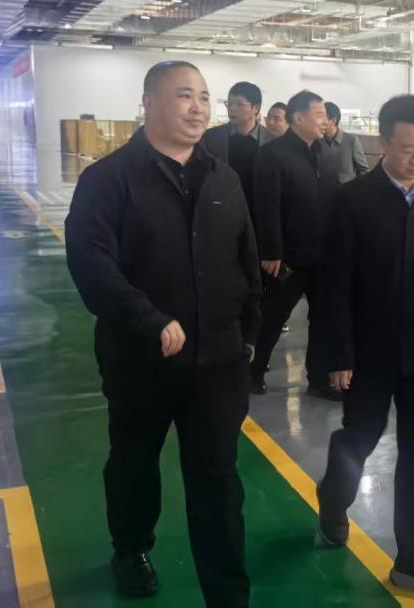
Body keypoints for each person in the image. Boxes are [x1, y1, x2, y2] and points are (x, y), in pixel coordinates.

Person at [65, 61, 261, 606]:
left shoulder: (224, 179)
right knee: (134, 462)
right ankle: (131, 549)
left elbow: (246, 259)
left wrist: (249, 332)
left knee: (217, 478)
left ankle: (228, 594)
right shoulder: (107, 180)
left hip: (218, 361)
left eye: (204, 97)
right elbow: (91, 264)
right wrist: (149, 319)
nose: (198, 108)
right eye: (184, 95)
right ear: (149, 102)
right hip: (139, 360)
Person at [316, 95, 414, 603]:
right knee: (358, 440)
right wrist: (338, 355)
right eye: (408, 150)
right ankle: (333, 497)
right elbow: (334, 284)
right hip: (370, 354)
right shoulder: (353, 201)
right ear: (383, 143)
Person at [251, 90, 340, 400]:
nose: (325, 121)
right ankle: (253, 371)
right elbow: (267, 206)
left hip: (322, 254)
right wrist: (271, 251)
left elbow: (334, 199)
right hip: (288, 257)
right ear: (299, 117)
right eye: (320, 114)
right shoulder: (272, 155)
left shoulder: (326, 152)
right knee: (274, 316)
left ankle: (319, 379)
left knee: (323, 318)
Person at [202, 81, 274, 164]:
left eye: (239, 104)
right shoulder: (210, 137)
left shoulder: (271, 140)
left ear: (256, 108)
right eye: (229, 103)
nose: (232, 108)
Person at [323, 101, 370, 183]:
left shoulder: (351, 140)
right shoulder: (316, 140)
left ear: (333, 121)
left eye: (322, 118)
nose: (319, 122)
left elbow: (363, 170)